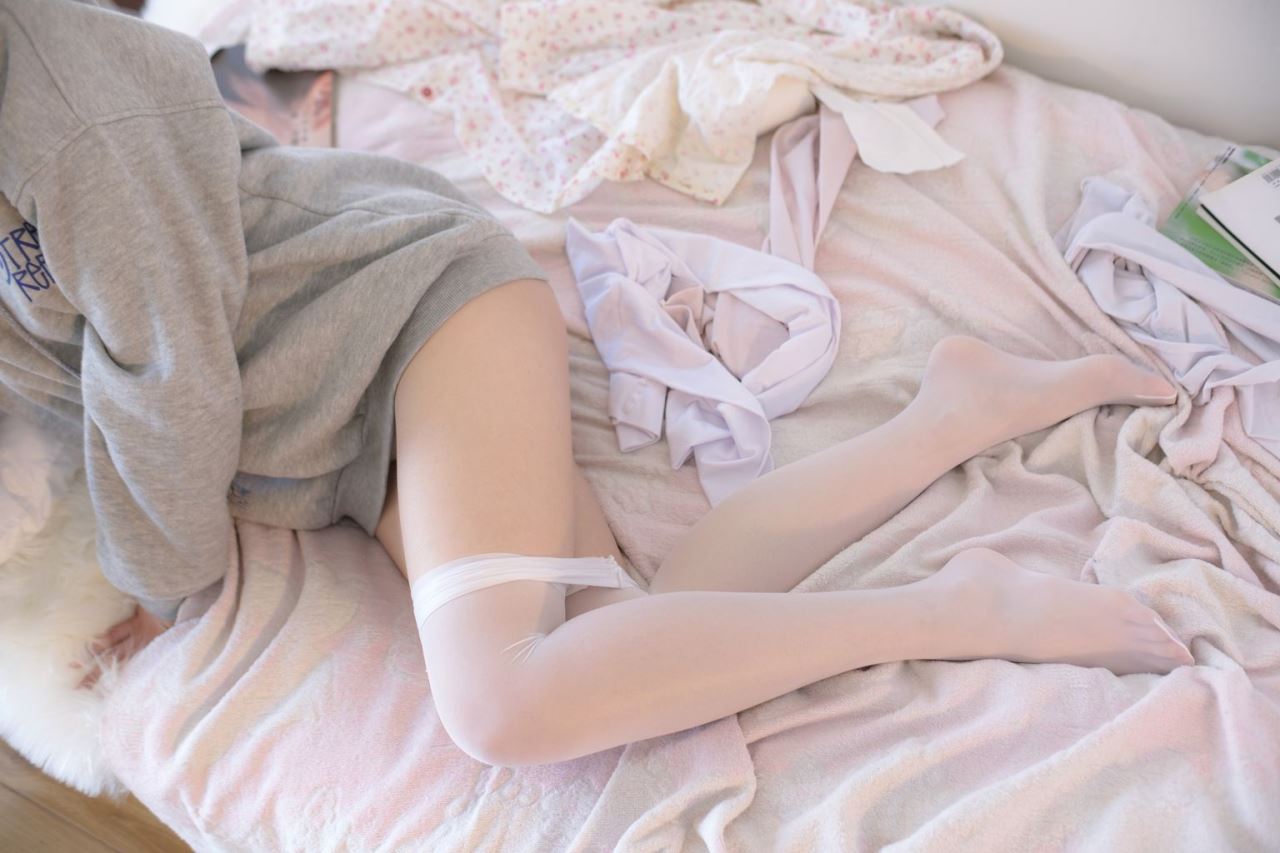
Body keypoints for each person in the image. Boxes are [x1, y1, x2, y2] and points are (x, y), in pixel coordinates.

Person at [1, 0, 1193, 764]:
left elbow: (165, 376)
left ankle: (962, 608)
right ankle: (944, 415)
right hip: (333, 414)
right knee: (627, 632)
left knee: (502, 705)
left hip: (405, 309)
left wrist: (155, 583)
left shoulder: (68, 125)